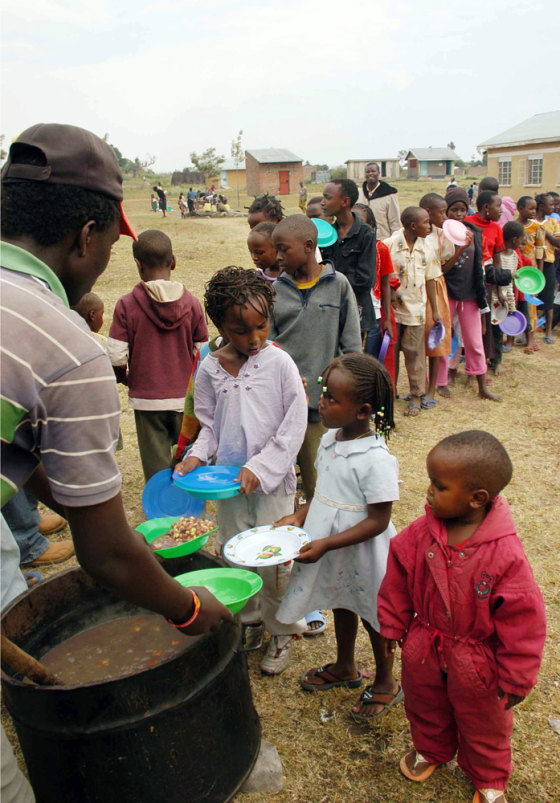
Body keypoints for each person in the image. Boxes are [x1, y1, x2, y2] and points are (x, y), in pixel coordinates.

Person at [0, 121, 232, 770]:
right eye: (108, 245)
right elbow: (103, 556)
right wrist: (189, 608)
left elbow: (22, 449)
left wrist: (78, 497)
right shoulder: (69, 351)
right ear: (85, 238)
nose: (105, 262)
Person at [378, 430, 546, 803]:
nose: (429, 491)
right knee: (424, 703)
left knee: (484, 721)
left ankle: (489, 775)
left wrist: (517, 677)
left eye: (439, 486)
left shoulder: (505, 555)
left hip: (478, 660)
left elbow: (524, 623)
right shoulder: (421, 534)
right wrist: (391, 624)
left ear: (476, 499)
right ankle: (431, 749)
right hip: (425, 642)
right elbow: (397, 579)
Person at [175, 267, 308, 674]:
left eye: (261, 326)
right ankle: (250, 620)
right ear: (220, 326)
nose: (254, 339)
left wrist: (261, 466)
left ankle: (281, 631)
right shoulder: (210, 368)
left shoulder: (279, 364)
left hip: (271, 485)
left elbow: (294, 423)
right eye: (241, 330)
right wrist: (196, 456)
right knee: (236, 554)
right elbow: (209, 426)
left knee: (273, 558)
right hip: (228, 486)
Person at [276, 353, 403, 722]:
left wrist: (328, 543)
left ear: (362, 410)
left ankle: (385, 681)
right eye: (323, 393)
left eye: (331, 398)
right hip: (330, 548)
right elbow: (324, 494)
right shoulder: (331, 440)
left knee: (375, 616)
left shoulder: (375, 458)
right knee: (341, 602)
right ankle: (346, 666)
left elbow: (379, 520)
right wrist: (298, 516)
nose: (322, 402)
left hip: (363, 553)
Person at [270, 215, 362, 503]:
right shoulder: (274, 291)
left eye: (284, 249)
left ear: (309, 246)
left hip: (318, 405)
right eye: (277, 249)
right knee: (277, 484)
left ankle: (319, 540)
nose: (278, 256)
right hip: (279, 405)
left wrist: (337, 394)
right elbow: (268, 348)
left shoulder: (338, 285)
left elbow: (351, 348)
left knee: (319, 483)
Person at [108, 230, 208, 482]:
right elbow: (202, 352)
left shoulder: (126, 304)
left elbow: (116, 356)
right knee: (188, 454)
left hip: (147, 399)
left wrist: (127, 378)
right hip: (185, 399)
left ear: (139, 266)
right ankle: (190, 505)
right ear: (173, 261)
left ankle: (161, 509)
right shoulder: (193, 303)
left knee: (155, 462)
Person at [436, 188, 499, 401]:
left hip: (470, 295)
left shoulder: (475, 233)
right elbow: (442, 269)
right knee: (443, 339)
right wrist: (461, 248)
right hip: (448, 293)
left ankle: (482, 386)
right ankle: (440, 381)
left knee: (474, 341)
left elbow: (478, 266)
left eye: (463, 210)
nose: (459, 214)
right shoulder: (440, 235)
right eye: (454, 210)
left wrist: (480, 295)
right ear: (446, 212)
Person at [384, 207, 440, 417]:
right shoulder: (390, 245)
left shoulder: (428, 248)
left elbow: (431, 279)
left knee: (415, 355)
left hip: (416, 311)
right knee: (392, 354)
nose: (430, 226)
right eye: (426, 222)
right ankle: (391, 391)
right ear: (412, 226)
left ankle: (416, 395)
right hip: (394, 311)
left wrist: (435, 310)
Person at [320, 179, 377, 344]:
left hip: (356, 309)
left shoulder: (365, 234)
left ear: (345, 202)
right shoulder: (327, 234)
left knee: (352, 361)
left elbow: (365, 279)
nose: (323, 203)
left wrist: (331, 282)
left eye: (327, 198)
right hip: (329, 308)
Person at [419, 194, 454, 406]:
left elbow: (444, 267)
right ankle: (419, 386)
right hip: (415, 288)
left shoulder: (443, 236)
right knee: (416, 340)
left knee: (435, 337)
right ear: (428, 213)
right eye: (441, 212)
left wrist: (460, 250)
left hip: (436, 288)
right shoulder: (413, 234)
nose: (445, 215)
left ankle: (431, 388)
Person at [352, 203, 394, 362]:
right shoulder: (344, 249)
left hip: (375, 312)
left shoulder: (380, 249)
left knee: (372, 357)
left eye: (361, 223)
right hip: (352, 311)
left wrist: (387, 319)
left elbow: (385, 284)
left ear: (371, 226)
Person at [534, 193, 560, 343]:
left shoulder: (552, 222)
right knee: (530, 298)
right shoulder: (530, 223)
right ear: (542, 207)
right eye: (551, 205)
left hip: (549, 263)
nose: (554, 207)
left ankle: (548, 331)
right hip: (532, 264)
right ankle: (527, 330)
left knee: (549, 298)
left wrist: (544, 231)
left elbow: (558, 242)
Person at [497, 221, 523, 353]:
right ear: (514, 239)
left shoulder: (514, 256)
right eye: (521, 238)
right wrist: (500, 294)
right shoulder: (498, 255)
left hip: (507, 295)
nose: (522, 242)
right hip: (496, 296)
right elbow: (498, 278)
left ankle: (500, 352)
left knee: (506, 319)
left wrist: (512, 303)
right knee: (495, 325)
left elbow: (510, 282)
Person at [356, 162, 400, 240]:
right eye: (367, 172)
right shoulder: (359, 193)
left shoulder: (389, 194)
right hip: (362, 239)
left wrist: (395, 239)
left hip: (383, 238)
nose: (370, 174)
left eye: (373, 171)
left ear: (379, 173)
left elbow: (394, 221)